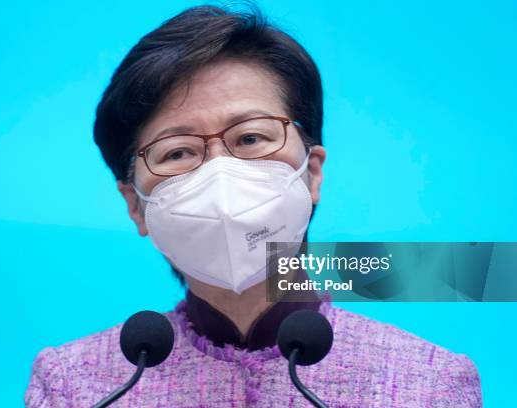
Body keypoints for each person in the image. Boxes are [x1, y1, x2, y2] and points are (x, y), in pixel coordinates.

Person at [25, 5, 481, 407]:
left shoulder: (430, 384)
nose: (220, 177)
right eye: (178, 152)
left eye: (250, 138)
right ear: (136, 205)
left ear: (312, 172)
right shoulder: (75, 385)